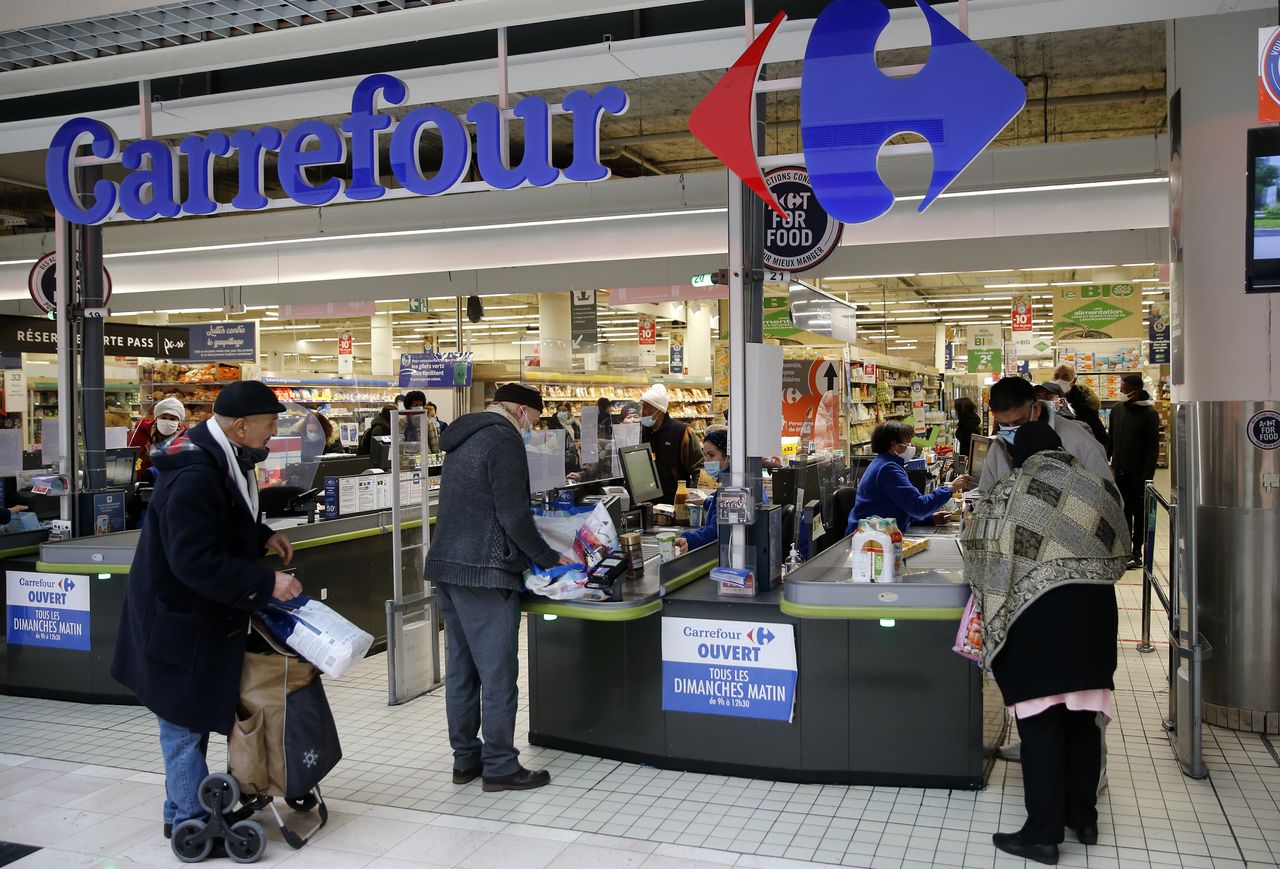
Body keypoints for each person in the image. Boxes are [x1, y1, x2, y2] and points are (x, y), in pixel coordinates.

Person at [111, 381, 302, 845]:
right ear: (241, 426)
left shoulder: (219, 457)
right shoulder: (196, 471)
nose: (273, 433)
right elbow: (192, 558)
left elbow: (223, 519)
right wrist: (264, 582)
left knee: (188, 716)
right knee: (181, 723)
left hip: (193, 617)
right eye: (269, 424)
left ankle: (181, 808)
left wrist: (260, 536)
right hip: (177, 620)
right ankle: (190, 823)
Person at [960, 422, 1127, 865]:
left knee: (1042, 728)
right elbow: (1122, 543)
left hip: (1038, 621)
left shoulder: (1012, 490)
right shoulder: (1095, 485)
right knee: (1083, 725)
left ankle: (1042, 834)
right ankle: (1083, 818)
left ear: (1019, 456)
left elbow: (980, 543)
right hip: (1094, 617)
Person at [425, 382, 572, 792]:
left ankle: (466, 761)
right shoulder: (504, 438)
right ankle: (502, 766)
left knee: (461, 670)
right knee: (498, 674)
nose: (532, 428)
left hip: (448, 566)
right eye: (535, 420)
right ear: (521, 410)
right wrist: (547, 557)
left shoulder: (463, 435)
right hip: (486, 571)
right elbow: (513, 515)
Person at [979, 377, 1113, 495]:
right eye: (1004, 424)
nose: (1011, 430)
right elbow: (984, 495)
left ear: (1036, 409)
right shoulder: (999, 447)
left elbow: (1109, 501)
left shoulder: (1078, 442)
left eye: (1018, 422)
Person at [846, 421, 974, 535]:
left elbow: (900, 508)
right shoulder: (888, 469)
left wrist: (929, 519)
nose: (911, 445)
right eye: (907, 441)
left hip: (875, 532)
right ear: (894, 445)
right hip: (871, 538)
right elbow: (918, 506)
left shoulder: (882, 463)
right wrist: (950, 489)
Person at [1108, 374, 1160, 569]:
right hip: (1119, 471)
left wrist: (1147, 477)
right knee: (1123, 511)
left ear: (1135, 391)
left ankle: (1137, 551)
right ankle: (1124, 549)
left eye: (1123, 387)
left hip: (1139, 474)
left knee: (1139, 513)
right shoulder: (1117, 409)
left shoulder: (1149, 414)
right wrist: (1108, 463)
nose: (1120, 391)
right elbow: (1111, 438)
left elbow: (1152, 448)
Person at [639, 383, 703, 504]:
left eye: (647, 407)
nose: (643, 411)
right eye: (642, 406)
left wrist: (694, 498)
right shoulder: (639, 432)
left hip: (674, 502)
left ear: (659, 409)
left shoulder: (681, 432)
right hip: (644, 503)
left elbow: (698, 468)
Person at [675, 427, 729, 554]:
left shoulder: (733, 488)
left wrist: (688, 538)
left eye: (711, 455)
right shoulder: (729, 482)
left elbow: (719, 529)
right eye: (705, 455)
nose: (706, 461)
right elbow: (724, 509)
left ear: (728, 457)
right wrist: (707, 501)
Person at [1052, 364, 1109, 455]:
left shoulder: (1085, 404)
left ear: (1074, 380)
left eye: (1065, 377)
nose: (1060, 380)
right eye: (1057, 376)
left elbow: (1100, 438)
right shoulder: (1046, 402)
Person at [128, 397, 187, 483]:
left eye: (172, 419)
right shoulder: (142, 433)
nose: (167, 421)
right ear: (156, 419)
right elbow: (131, 459)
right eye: (163, 417)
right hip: (143, 483)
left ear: (179, 422)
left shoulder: (184, 439)